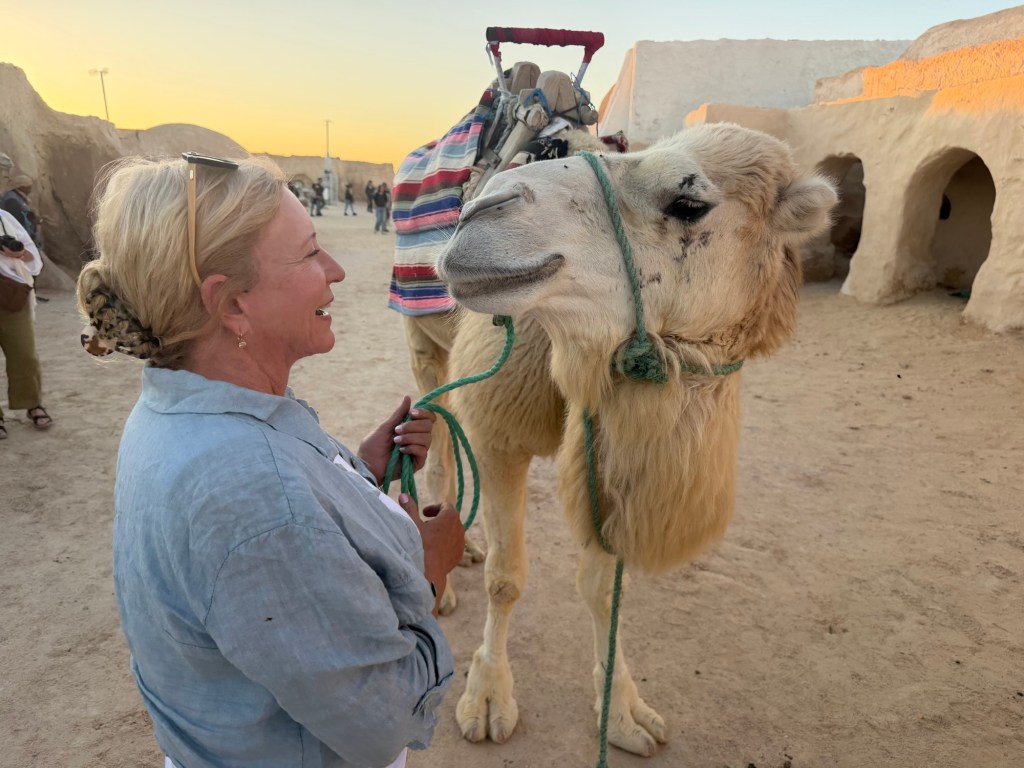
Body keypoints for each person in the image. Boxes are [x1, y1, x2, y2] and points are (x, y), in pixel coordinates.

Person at [76, 154, 464, 767]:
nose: (335, 270)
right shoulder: (255, 494)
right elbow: (382, 720)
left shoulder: (179, 413)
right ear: (231, 305)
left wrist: (354, 472)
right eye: (310, 253)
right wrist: (432, 569)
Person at [0, 208, 53, 438]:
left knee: (25, 355)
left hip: (11, 296)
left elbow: (33, 259)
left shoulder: (4, 219)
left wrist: (18, 253)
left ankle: (33, 404)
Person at [2, 173, 42, 249]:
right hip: (19, 237)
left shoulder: (18, 197)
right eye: (28, 187)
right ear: (22, 187)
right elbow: (15, 220)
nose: (30, 190)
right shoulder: (11, 199)